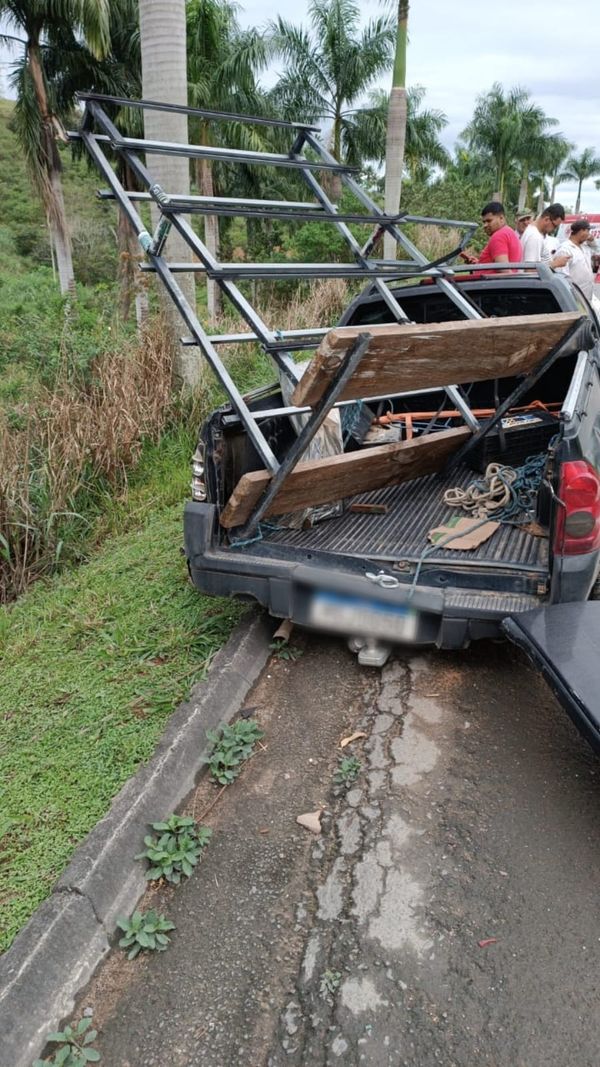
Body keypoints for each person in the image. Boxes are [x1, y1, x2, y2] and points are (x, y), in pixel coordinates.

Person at [460, 201, 522, 268]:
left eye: (489, 221)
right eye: (484, 222)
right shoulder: (510, 232)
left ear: (501, 218)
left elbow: (504, 270)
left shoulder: (499, 235)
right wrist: (478, 264)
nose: (485, 225)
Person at [551, 218, 594, 300]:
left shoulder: (584, 247)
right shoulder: (565, 249)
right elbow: (562, 277)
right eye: (588, 231)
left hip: (586, 297)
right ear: (581, 231)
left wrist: (592, 240)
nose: (589, 234)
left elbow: (597, 249)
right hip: (573, 297)